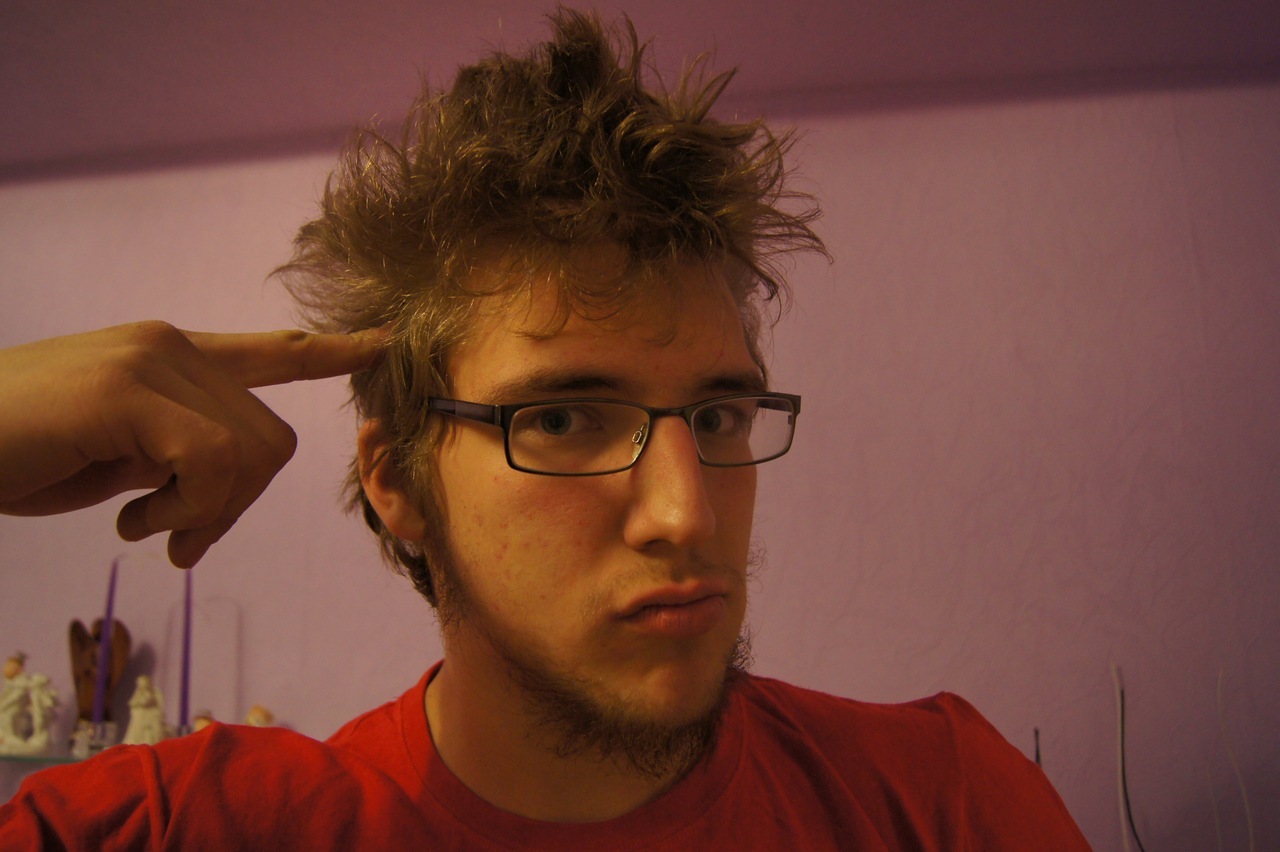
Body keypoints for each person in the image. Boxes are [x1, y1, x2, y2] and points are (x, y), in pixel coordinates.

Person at [0, 9, 1090, 849]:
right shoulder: (185, 828)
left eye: (717, 414)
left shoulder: (944, 802)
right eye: (564, 417)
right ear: (398, 480)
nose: (687, 513)